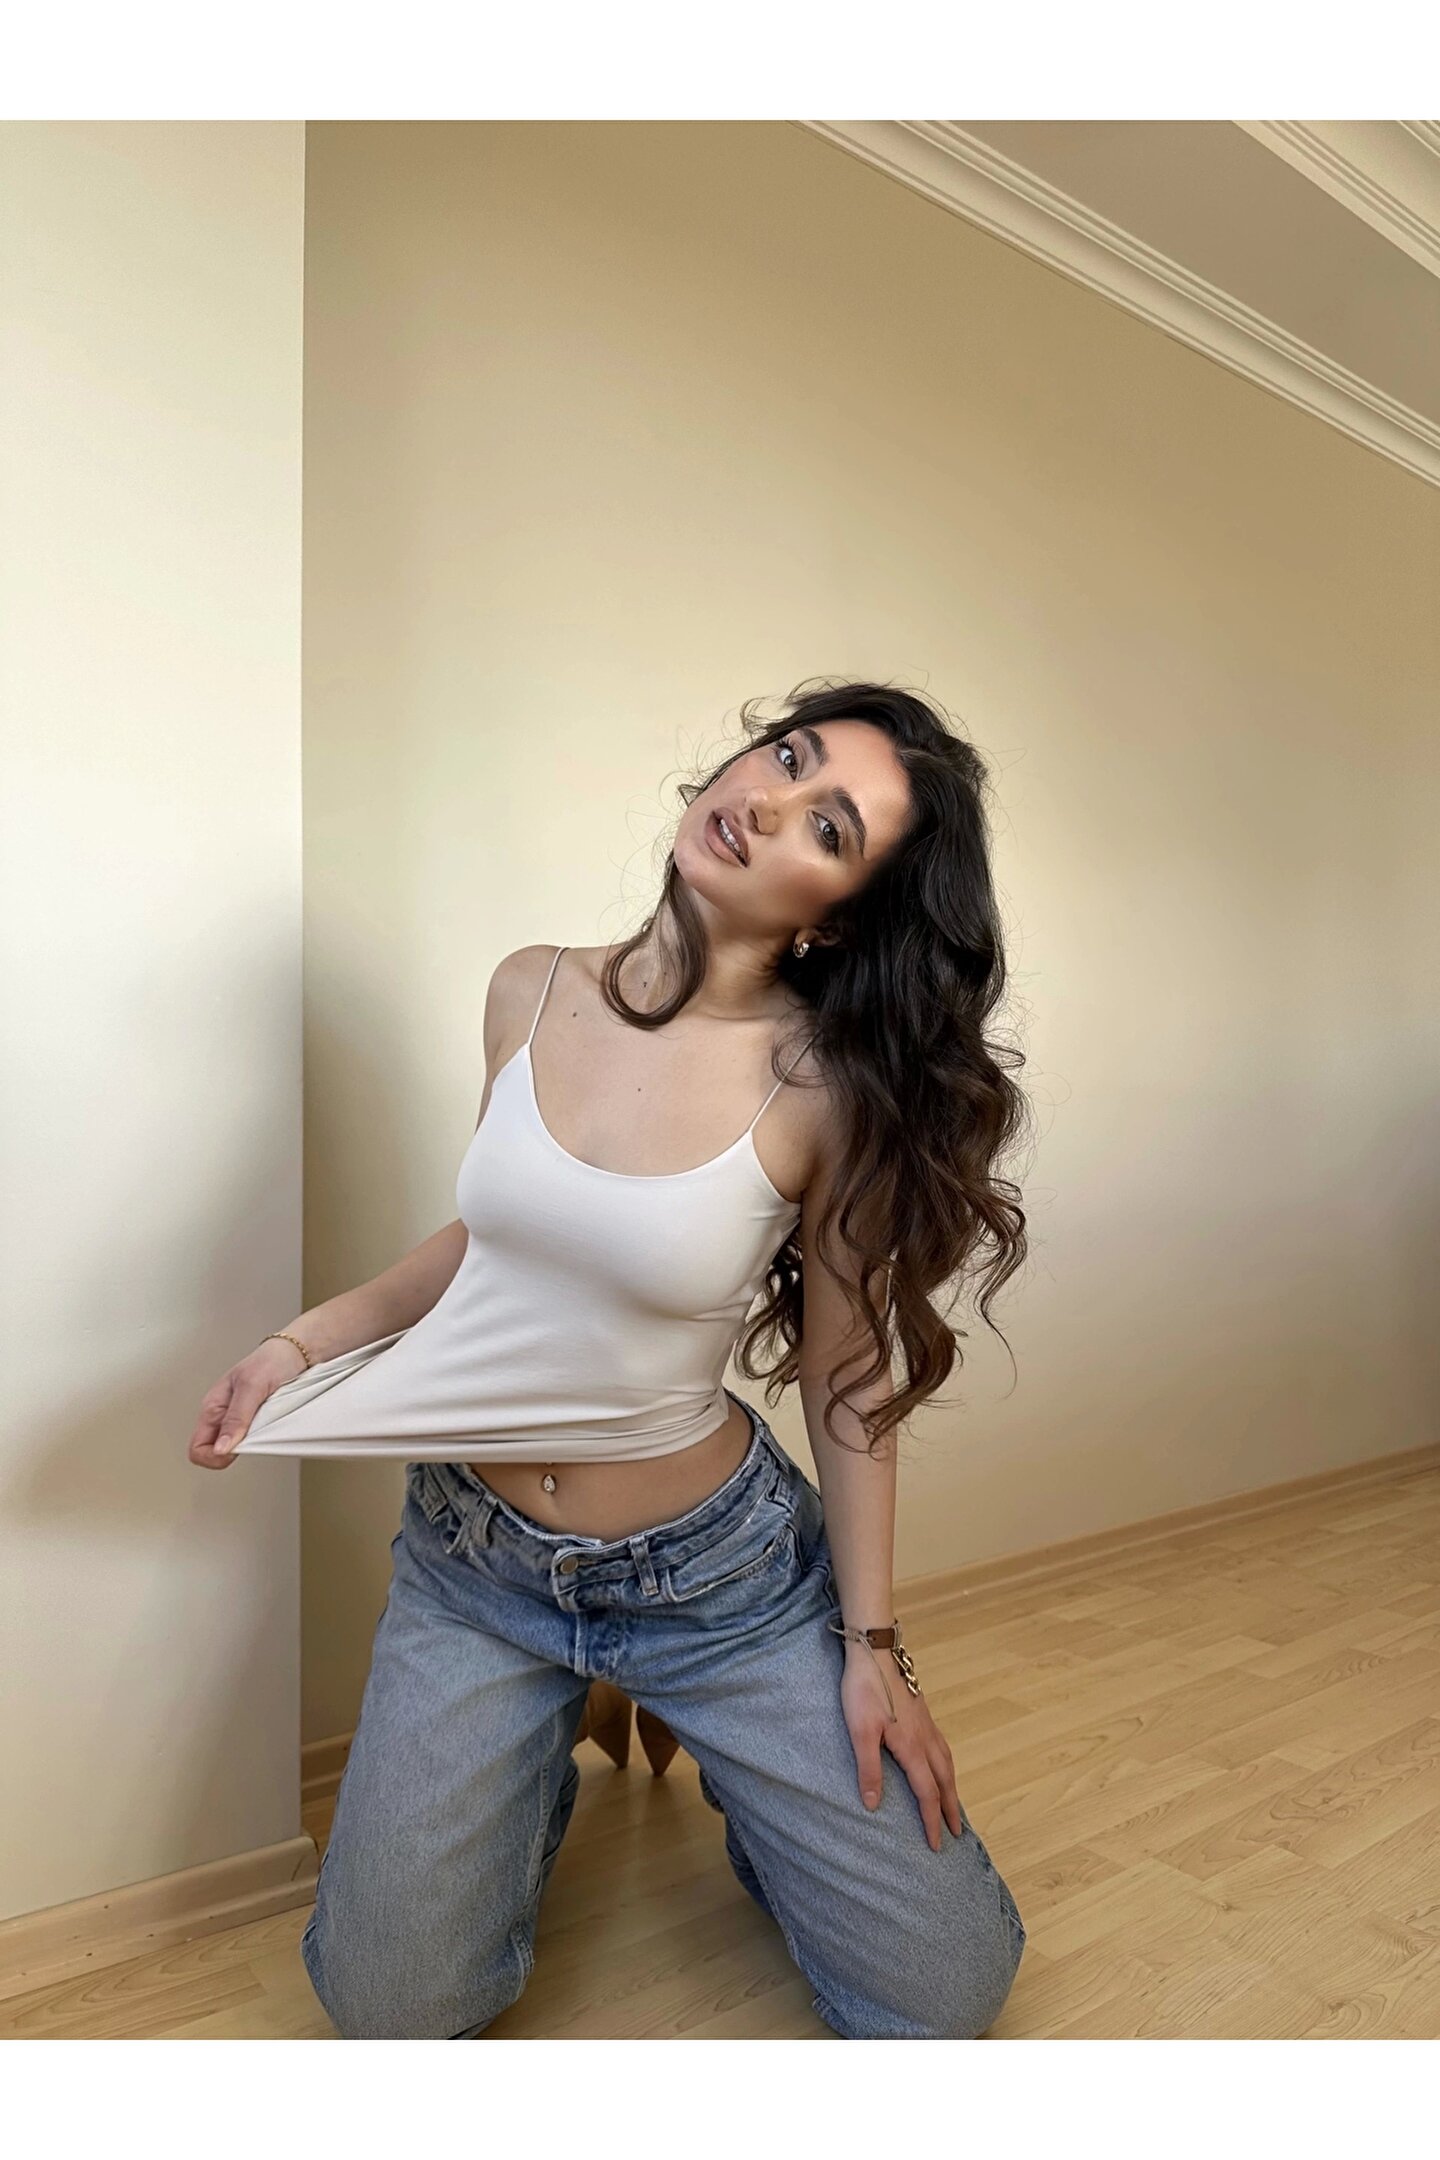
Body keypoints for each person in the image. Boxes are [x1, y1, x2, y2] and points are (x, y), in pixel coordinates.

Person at [189, 677, 1032, 2040]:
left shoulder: (824, 1086)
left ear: (835, 918)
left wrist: (875, 1648)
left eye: (828, 828)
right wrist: (298, 1345)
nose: (768, 804)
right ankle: (568, 1712)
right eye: (787, 757)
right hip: (477, 1565)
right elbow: (503, 1240)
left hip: (719, 1581)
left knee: (944, 1996)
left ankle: (742, 1775)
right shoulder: (529, 989)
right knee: (390, 2008)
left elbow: (847, 1379)